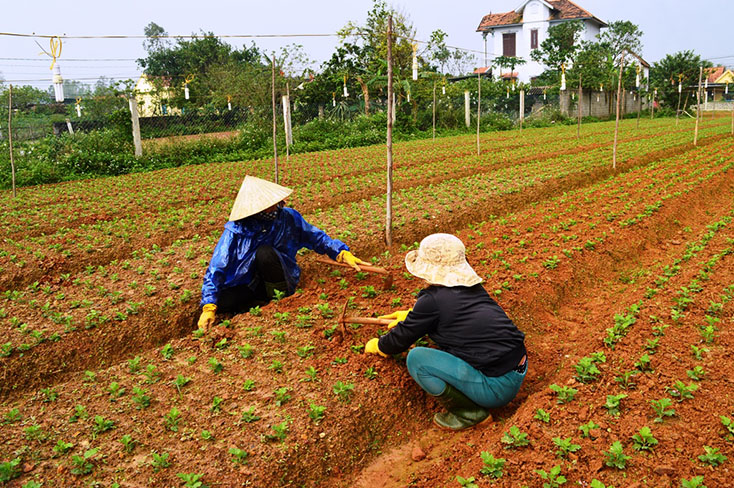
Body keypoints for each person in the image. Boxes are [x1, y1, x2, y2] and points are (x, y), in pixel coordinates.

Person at [364, 233, 527, 430]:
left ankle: (469, 414)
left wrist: (380, 346)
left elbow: (400, 340)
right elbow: (452, 315)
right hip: (517, 368)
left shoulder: (432, 301)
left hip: (496, 388)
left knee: (417, 359)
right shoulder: (473, 288)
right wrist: (412, 315)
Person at [198, 175, 366, 331]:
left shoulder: (288, 218)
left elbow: (316, 237)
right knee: (222, 301)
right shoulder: (236, 229)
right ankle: (254, 302)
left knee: (265, 253)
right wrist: (209, 306)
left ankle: (277, 301)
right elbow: (217, 266)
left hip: (280, 275)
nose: (275, 205)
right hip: (248, 282)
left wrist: (341, 253)